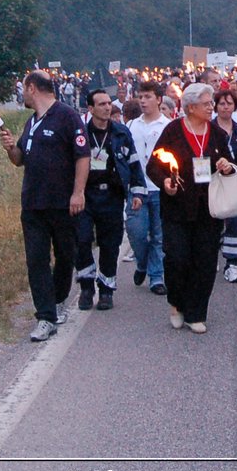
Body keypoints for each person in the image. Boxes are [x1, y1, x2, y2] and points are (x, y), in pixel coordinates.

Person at [144, 83, 237, 334]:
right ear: (191, 107)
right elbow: (154, 165)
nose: (212, 107)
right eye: (207, 103)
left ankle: (196, 312)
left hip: (209, 209)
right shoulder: (173, 131)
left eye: (212, 103)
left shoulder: (217, 133)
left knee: (205, 261)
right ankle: (176, 303)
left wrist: (226, 165)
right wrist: (165, 182)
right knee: (177, 258)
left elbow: (230, 161)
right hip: (177, 208)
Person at [1, 71, 89, 342]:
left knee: (65, 255)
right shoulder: (32, 122)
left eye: (23, 89)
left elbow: (82, 156)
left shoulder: (67, 116)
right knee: (36, 259)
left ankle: (59, 298)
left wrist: (78, 192)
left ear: (32, 88)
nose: (22, 94)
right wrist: (9, 148)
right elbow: (19, 159)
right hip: (33, 204)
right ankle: (45, 316)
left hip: (62, 203)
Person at [74, 87, 143, 312]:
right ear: (91, 108)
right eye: (101, 104)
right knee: (82, 240)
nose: (107, 107)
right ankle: (86, 287)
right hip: (85, 195)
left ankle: (106, 289)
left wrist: (137, 192)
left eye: (108, 103)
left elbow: (134, 163)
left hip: (112, 195)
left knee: (110, 244)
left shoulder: (121, 132)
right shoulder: (80, 133)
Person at [125, 82, 171, 296]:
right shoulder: (132, 125)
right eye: (140, 97)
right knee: (137, 231)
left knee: (159, 234)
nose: (142, 101)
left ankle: (156, 275)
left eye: (147, 97)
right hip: (137, 188)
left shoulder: (167, 125)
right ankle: (142, 263)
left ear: (158, 99)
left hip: (160, 187)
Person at [213, 87, 237, 283]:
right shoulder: (209, 128)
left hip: (236, 180)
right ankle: (214, 254)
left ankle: (232, 264)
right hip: (216, 182)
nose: (225, 107)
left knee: (236, 222)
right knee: (216, 221)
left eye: (229, 103)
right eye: (222, 103)